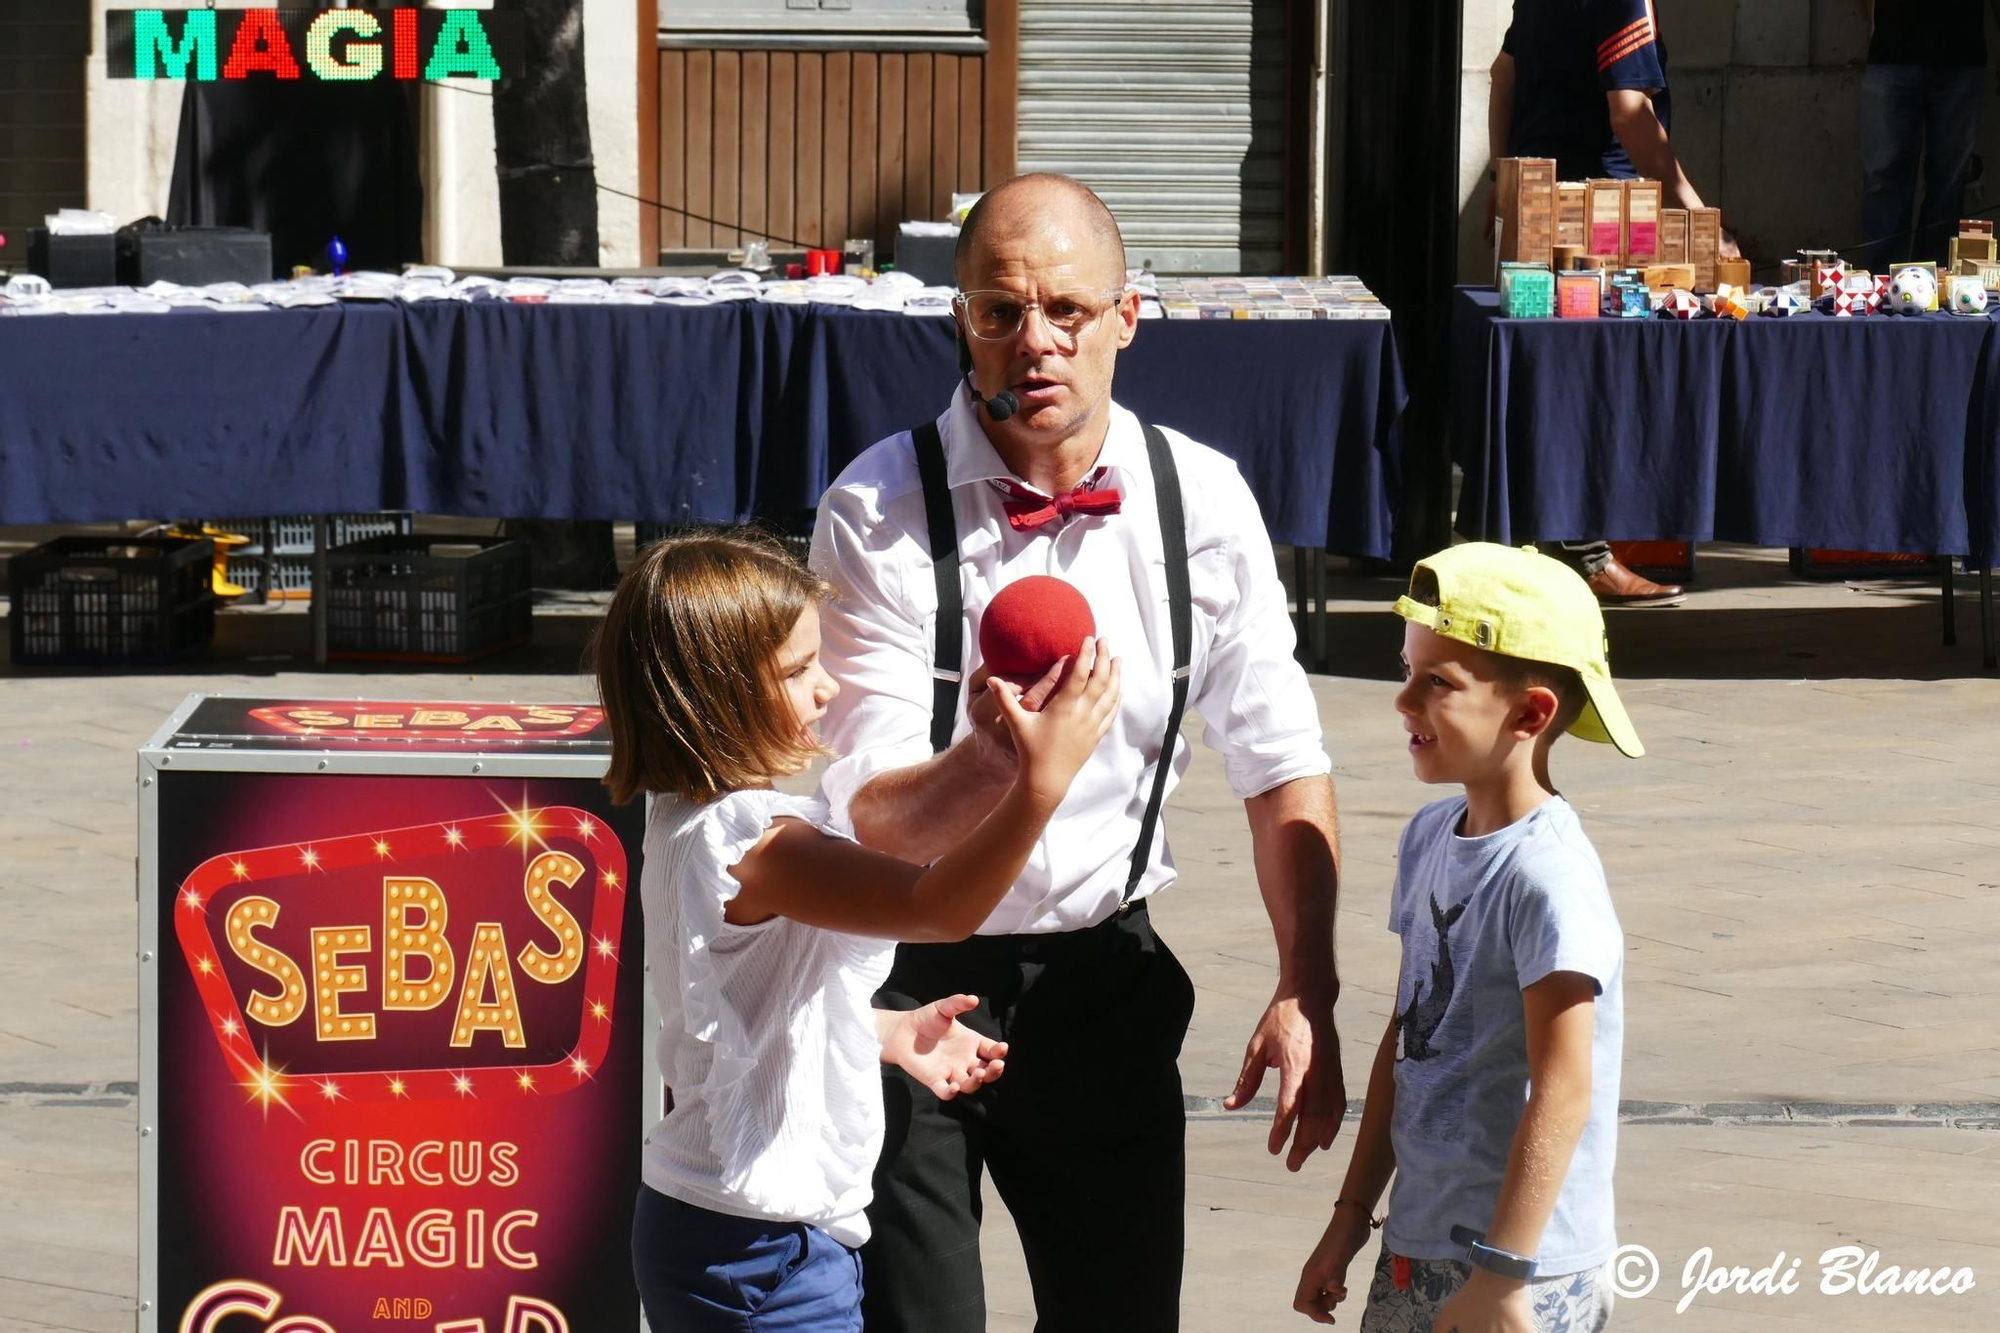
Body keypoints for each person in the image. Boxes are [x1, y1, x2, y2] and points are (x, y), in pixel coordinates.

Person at [810, 172, 1347, 1331]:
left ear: (1125, 318)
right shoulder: (877, 507)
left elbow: (1278, 756)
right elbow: (866, 812)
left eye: (1065, 310)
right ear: (961, 319)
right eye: (999, 313)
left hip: (1103, 980)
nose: (1033, 344)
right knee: (915, 1319)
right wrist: (1000, 761)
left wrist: (1308, 983)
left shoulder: (1199, 502)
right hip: (911, 978)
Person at [592, 528, 1120, 1331]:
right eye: (798, 669)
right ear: (717, 691)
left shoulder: (687, 816)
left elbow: (742, 1003)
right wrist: (1041, 783)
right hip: (761, 1254)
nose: (828, 688)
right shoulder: (754, 843)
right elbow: (940, 906)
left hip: (724, 1230)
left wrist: (881, 1030)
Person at [1293, 542, 1634, 1332]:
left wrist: (1504, 1278)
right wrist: (1352, 1216)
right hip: (1420, 1240)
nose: (1403, 700)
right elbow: (1413, 1036)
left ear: (1531, 712)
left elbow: (1563, 1089)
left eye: (1436, 683)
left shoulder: (1547, 878)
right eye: (1407, 671)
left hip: (1522, 1269)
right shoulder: (1428, 837)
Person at [1487, 0, 1739, 608]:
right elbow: (1629, 112)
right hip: (1601, 216)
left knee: (1551, 381)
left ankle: (1547, 550)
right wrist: (1698, 214)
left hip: (1536, 198)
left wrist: (1503, 178)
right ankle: (1589, 558)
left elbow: (1502, 74)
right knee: (1593, 383)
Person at [1859, 0, 1997, 275]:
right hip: (1894, 52)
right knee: (1885, 178)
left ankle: (1931, 285)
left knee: (1948, 183)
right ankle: (1883, 283)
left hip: (1961, 56)